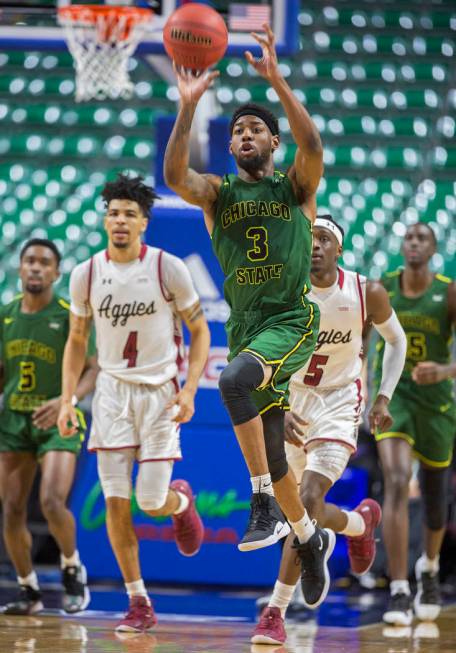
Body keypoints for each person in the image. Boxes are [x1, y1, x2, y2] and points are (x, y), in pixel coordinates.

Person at [164, 23, 334, 609]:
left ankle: (260, 501)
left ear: (273, 144)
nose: (244, 134)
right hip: (246, 327)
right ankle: (310, 541)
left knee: (232, 380)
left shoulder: (295, 188)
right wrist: (188, 110)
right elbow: (173, 179)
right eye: (237, 129)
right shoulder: (217, 195)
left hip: (289, 321)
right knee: (273, 447)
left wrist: (278, 83)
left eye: (256, 129)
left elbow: (313, 147)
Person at [57, 174, 210, 632]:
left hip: (160, 394)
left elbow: (200, 330)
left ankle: (180, 503)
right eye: (113, 213)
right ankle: (137, 599)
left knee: (150, 499)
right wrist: (67, 399)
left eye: (129, 214)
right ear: (105, 221)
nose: (119, 220)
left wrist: (188, 389)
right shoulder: (86, 273)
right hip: (110, 396)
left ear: (144, 222)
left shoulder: (168, 268)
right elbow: (76, 340)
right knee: (117, 503)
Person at [251, 216, 407, 645]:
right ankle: (358, 523)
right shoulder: (281, 291)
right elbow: (258, 354)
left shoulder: (364, 291)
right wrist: (274, 406)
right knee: (299, 515)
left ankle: (275, 611)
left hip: (339, 401)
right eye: (309, 238)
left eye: (324, 239)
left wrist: (383, 397)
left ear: (338, 249)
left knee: (307, 499)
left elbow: (398, 341)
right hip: (290, 401)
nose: (315, 245)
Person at [0, 238, 98, 615]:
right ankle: (28, 590)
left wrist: (68, 400)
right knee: (11, 509)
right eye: (30, 261)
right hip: (15, 420)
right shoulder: (6, 315)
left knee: (52, 501)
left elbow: (93, 367)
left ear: (57, 272)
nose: (36, 267)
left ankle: (71, 567)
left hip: (59, 418)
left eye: (44, 262)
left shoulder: (67, 315)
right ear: (20, 268)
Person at [373, 222, 456, 626]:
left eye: (422, 238)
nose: (414, 243)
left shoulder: (448, 291)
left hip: (437, 405)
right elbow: (356, 338)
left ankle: (430, 568)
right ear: (401, 246)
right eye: (408, 238)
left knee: (436, 499)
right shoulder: (381, 287)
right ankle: (400, 588)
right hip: (395, 397)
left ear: (434, 249)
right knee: (396, 478)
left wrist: (445, 370)